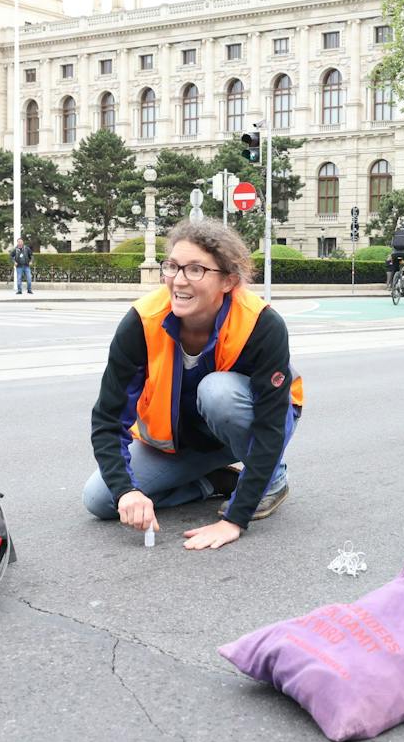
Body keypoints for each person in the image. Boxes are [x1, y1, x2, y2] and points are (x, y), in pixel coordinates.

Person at [83, 219, 303, 551]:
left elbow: (271, 426)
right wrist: (127, 491)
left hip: (250, 428)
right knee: (100, 499)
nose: (179, 281)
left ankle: (271, 480)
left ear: (228, 280)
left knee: (217, 392)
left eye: (196, 270)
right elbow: (108, 419)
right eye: (172, 266)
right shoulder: (141, 322)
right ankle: (208, 480)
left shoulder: (261, 324)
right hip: (181, 441)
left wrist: (234, 520)